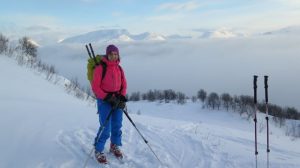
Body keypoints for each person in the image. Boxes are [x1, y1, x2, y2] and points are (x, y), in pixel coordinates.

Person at [91, 44, 127, 164]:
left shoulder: (119, 68)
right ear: (107, 54)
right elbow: (95, 87)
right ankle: (98, 149)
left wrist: (121, 97)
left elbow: (124, 85)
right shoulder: (100, 68)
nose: (114, 56)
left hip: (116, 99)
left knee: (117, 124)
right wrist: (107, 97)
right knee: (106, 127)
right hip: (104, 100)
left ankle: (114, 145)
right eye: (111, 54)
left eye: (115, 54)